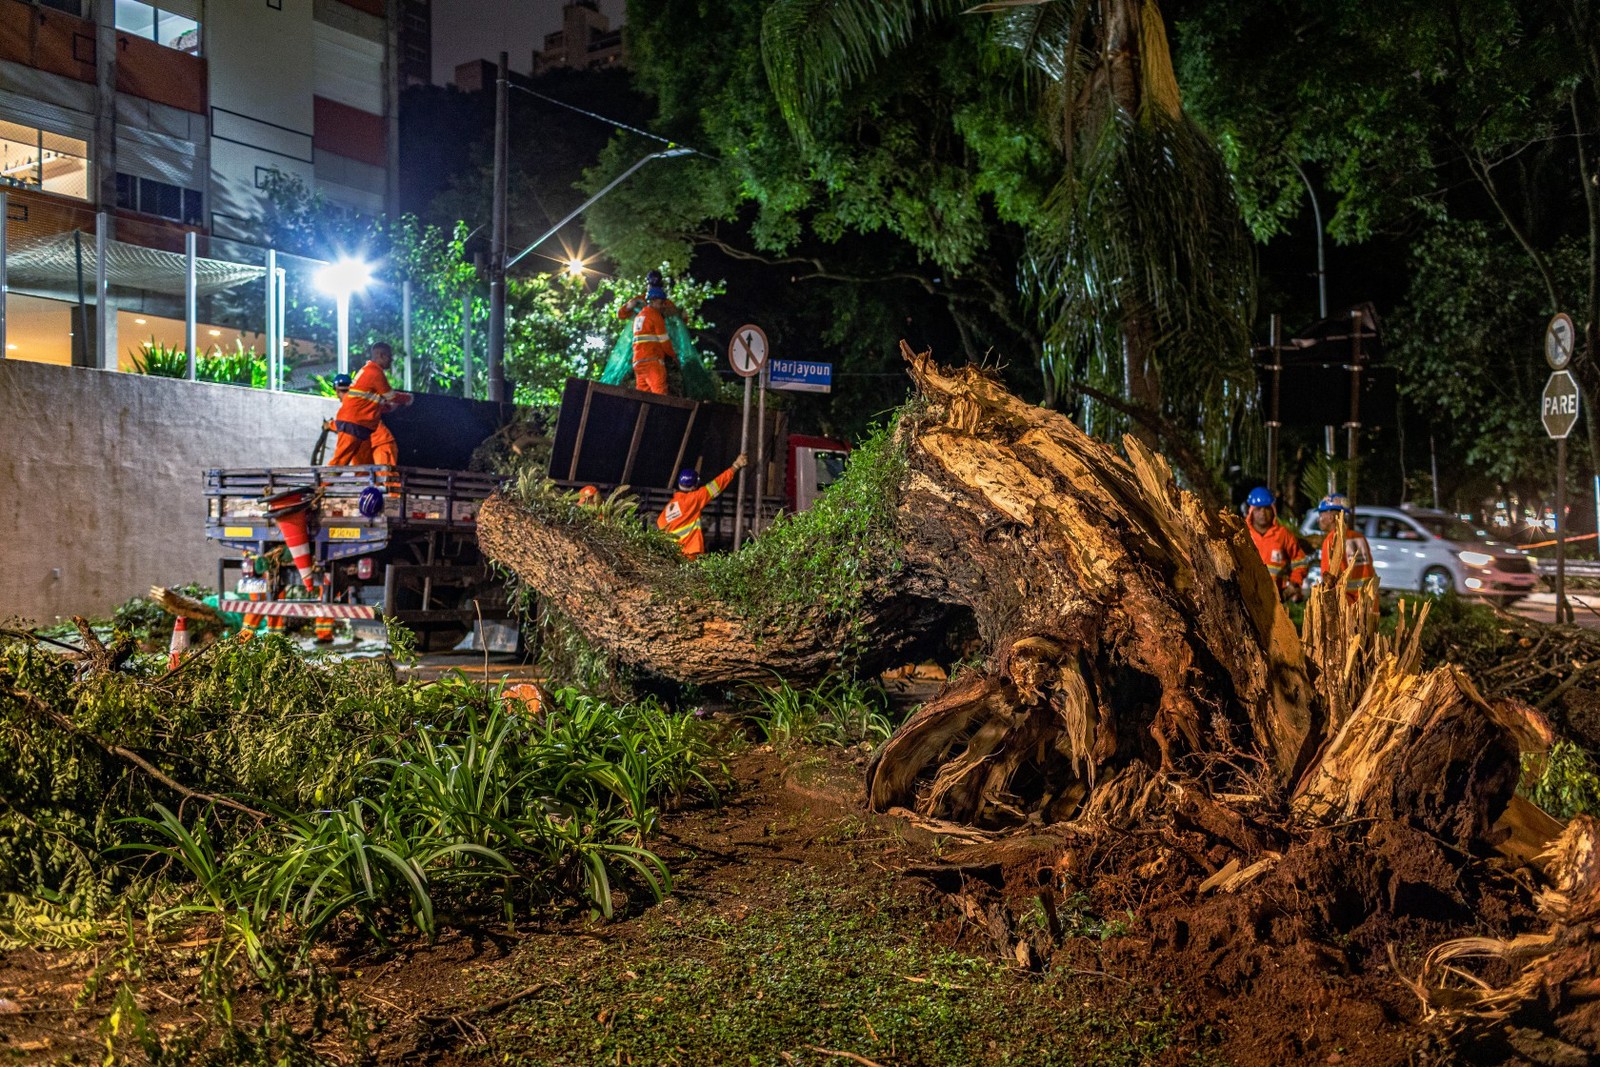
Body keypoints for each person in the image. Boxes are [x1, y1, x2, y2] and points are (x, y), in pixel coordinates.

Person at [331, 342, 410, 466]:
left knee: (360, 466)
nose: (391, 360)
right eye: (390, 356)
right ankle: (324, 485)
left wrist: (390, 406)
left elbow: (379, 402)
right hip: (361, 428)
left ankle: (326, 483)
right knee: (344, 463)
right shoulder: (374, 372)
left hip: (362, 429)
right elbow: (391, 396)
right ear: (382, 355)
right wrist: (407, 399)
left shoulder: (367, 375)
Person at [658, 455, 748, 559]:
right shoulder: (694, 498)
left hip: (673, 555)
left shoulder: (669, 507)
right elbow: (716, 485)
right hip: (688, 553)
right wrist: (735, 466)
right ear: (694, 486)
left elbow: (660, 524)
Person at [1244, 487, 1312, 600]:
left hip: (1276, 597)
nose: (1263, 513)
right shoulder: (1242, 533)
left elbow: (1300, 561)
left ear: (1273, 510)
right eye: (1258, 509)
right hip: (1247, 596)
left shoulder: (1283, 535)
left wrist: (1294, 583)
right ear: (1251, 511)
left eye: (1266, 508)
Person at [619, 271, 680, 396]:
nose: (662, 306)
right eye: (661, 303)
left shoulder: (642, 312)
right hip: (653, 358)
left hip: (638, 360)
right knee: (660, 394)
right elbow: (664, 340)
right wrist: (674, 355)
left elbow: (678, 317)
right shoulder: (654, 312)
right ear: (653, 300)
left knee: (643, 395)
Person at [1317, 494, 1376, 601]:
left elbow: (1328, 579)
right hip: (1367, 601)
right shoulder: (1360, 537)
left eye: (1321, 514)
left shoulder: (1330, 541)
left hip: (1346, 605)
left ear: (1330, 518)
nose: (1319, 519)